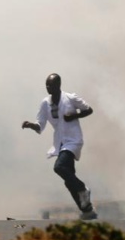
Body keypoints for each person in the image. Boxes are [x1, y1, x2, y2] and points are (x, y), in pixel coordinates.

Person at [22, 73, 97, 220]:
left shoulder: (70, 98)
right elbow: (40, 125)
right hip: (60, 143)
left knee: (59, 167)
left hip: (73, 140)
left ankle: (83, 189)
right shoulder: (45, 103)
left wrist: (74, 115)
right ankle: (87, 210)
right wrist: (31, 125)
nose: (48, 87)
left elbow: (88, 110)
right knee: (69, 181)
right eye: (46, 85)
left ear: (58, 85)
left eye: (50, 85)